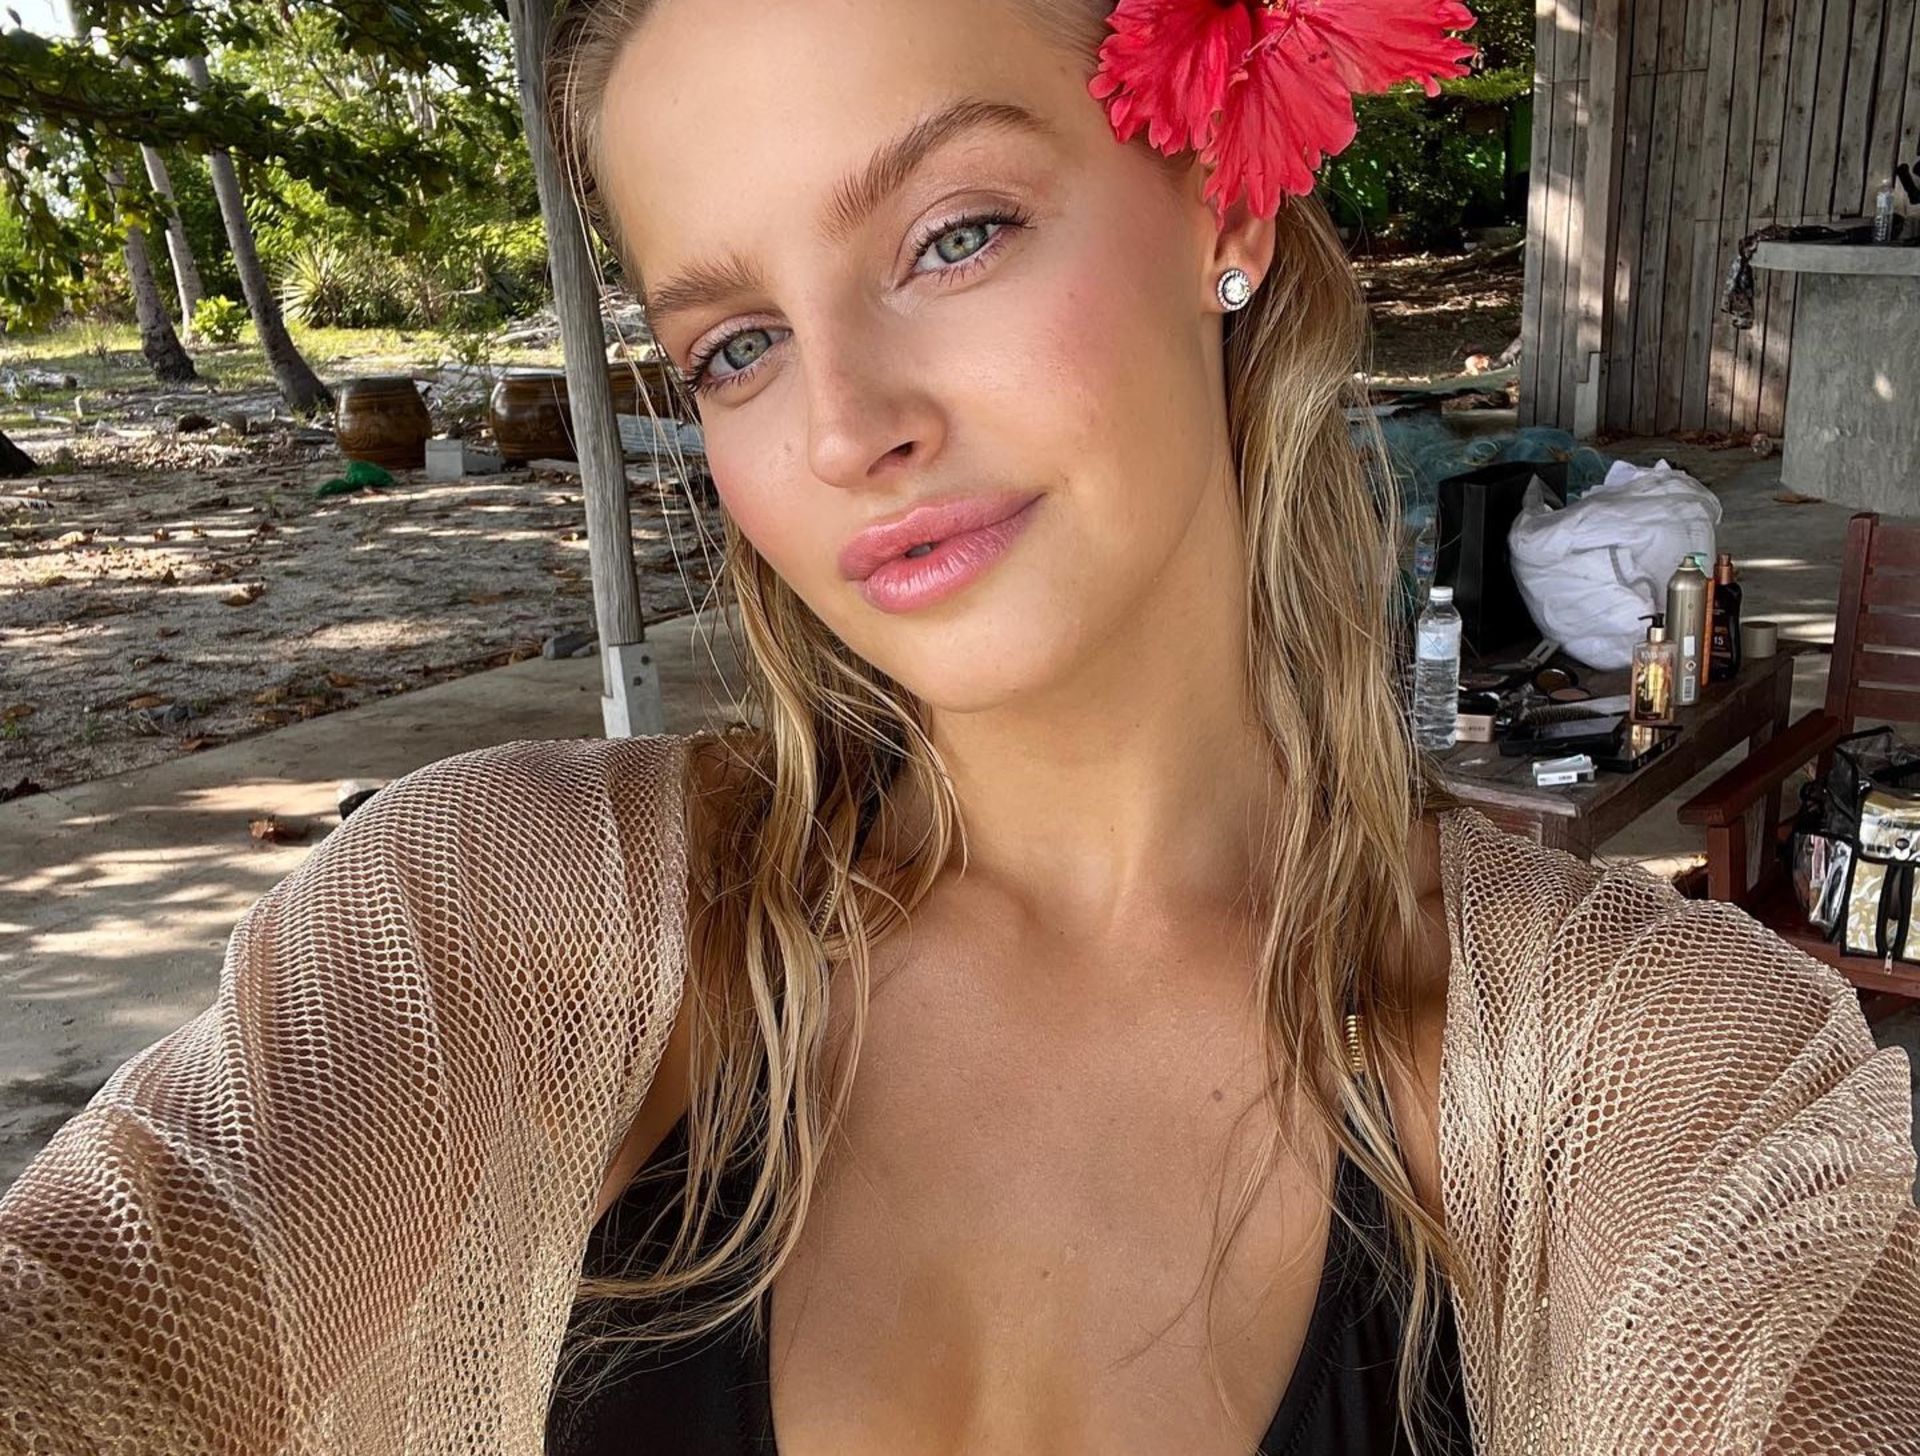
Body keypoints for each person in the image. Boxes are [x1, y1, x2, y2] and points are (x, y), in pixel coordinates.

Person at [2, 2, 1916, 1454]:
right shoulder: (475, 927)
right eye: (737, 345)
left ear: (1224, 199)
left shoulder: (1670, 1077)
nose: (846, 427)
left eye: (953, 235)